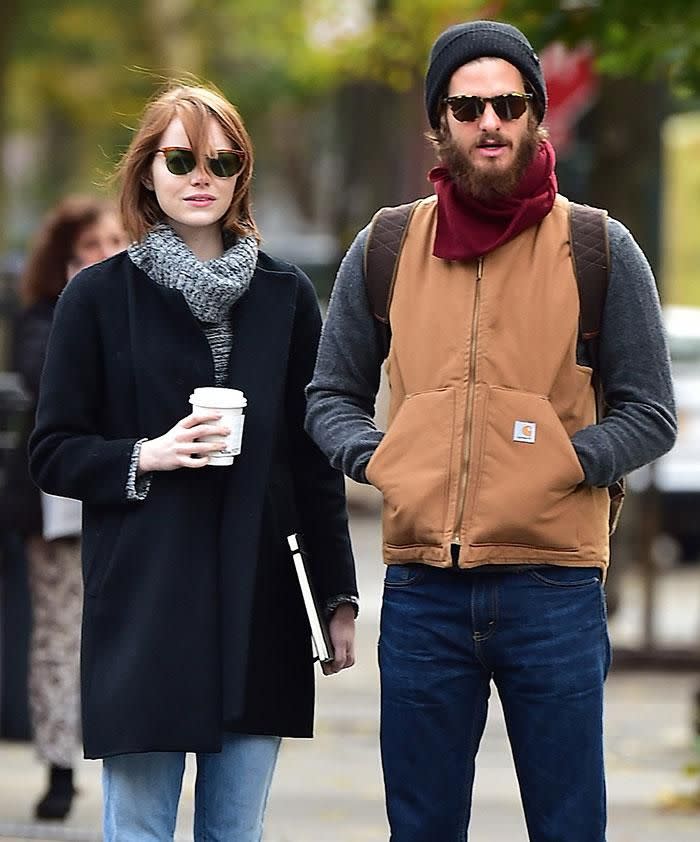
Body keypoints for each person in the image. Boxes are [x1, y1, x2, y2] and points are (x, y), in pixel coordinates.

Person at [305, 20, 677, 842]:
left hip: (555, 589)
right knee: (423, 827)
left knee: (568, 824)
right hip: (422, 592)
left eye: (508, 103)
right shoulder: (387, 244)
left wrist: (561, 463)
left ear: (536, 114)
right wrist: (380, 458)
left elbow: (650, 413)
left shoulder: (599, 247)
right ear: (439, 122)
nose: (489, 122)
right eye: (467, 105)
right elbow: (328, 395)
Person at [28, 82, 357, 842]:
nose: (200, 175)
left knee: (234, 833)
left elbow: (313, 465)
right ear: (147, 172)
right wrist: (150, 454)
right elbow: (53, 451)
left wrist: (337, 596)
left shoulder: (286, 297)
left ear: (243, 172)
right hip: (144, 599)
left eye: (223, 159)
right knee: (139, 828)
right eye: (180, 158)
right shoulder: (97, 298)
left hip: (260, 598)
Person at [5, 196, 126, 820]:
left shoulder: (142, 311)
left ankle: (124, 758)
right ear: (64, 261)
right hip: (56, 510)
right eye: (90, 248)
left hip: (129, 496)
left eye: (114, 242)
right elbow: (42, 373)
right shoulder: (43, 320)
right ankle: (58, 765)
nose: (106, 256)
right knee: (57, 638)